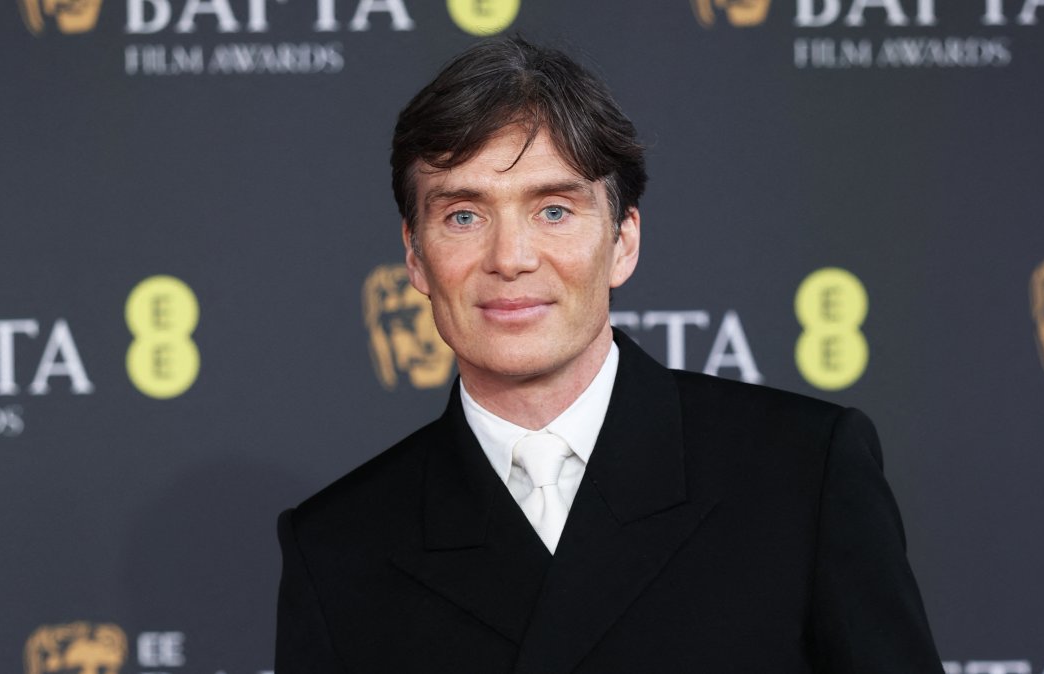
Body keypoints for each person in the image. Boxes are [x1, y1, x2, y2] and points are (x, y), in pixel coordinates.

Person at [275, 36, 942, 673]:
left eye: (554, 211)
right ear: (416, 257)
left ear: (623, 241)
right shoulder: (338, 546)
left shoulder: (803, 473)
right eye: (464, 216)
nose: (511, 258)